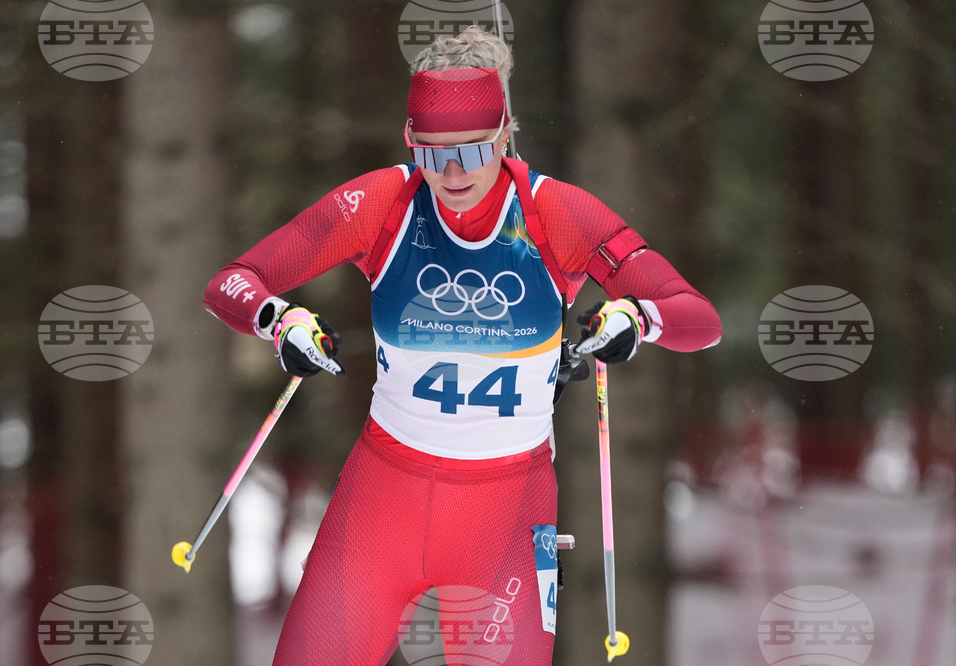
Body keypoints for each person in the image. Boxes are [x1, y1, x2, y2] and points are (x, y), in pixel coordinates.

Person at [204, 26, 721, 666]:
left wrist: (638, 319)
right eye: (431, 154)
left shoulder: (554, 214)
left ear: (505, 136)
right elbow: (231, 283)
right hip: (381, 500)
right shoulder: (382, 203)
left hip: (503, 511)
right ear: (410, 143)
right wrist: (277, 320)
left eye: (474, 152)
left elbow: (698, 316)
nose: (451, 174)